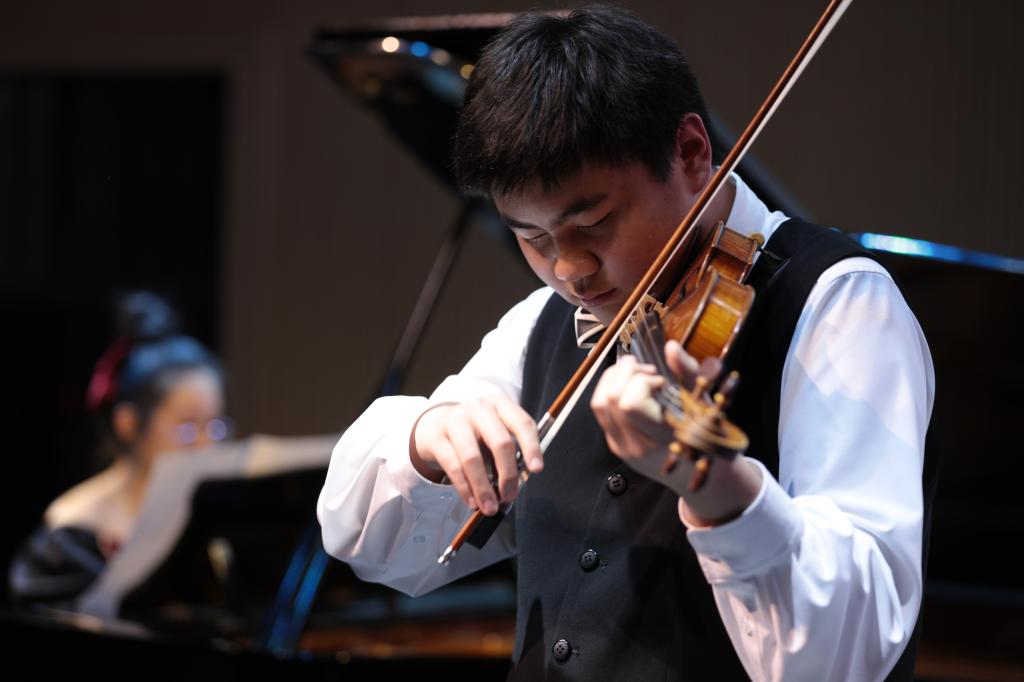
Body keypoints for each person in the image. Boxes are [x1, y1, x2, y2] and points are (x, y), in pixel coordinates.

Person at [317, 6, 934, 681]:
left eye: (594, 222)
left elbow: (850, 656)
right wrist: (427, 440)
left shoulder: (837, 304)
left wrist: (718, 486)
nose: (569, 270)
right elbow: (373, 546)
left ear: (691, 152)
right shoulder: (541, 323)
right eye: (532, 237)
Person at [9, 291, 228, 606]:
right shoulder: (72, 535)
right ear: (129, 423)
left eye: (216, 426)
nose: (206, 444)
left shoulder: (215, 519)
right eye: (188, 427)